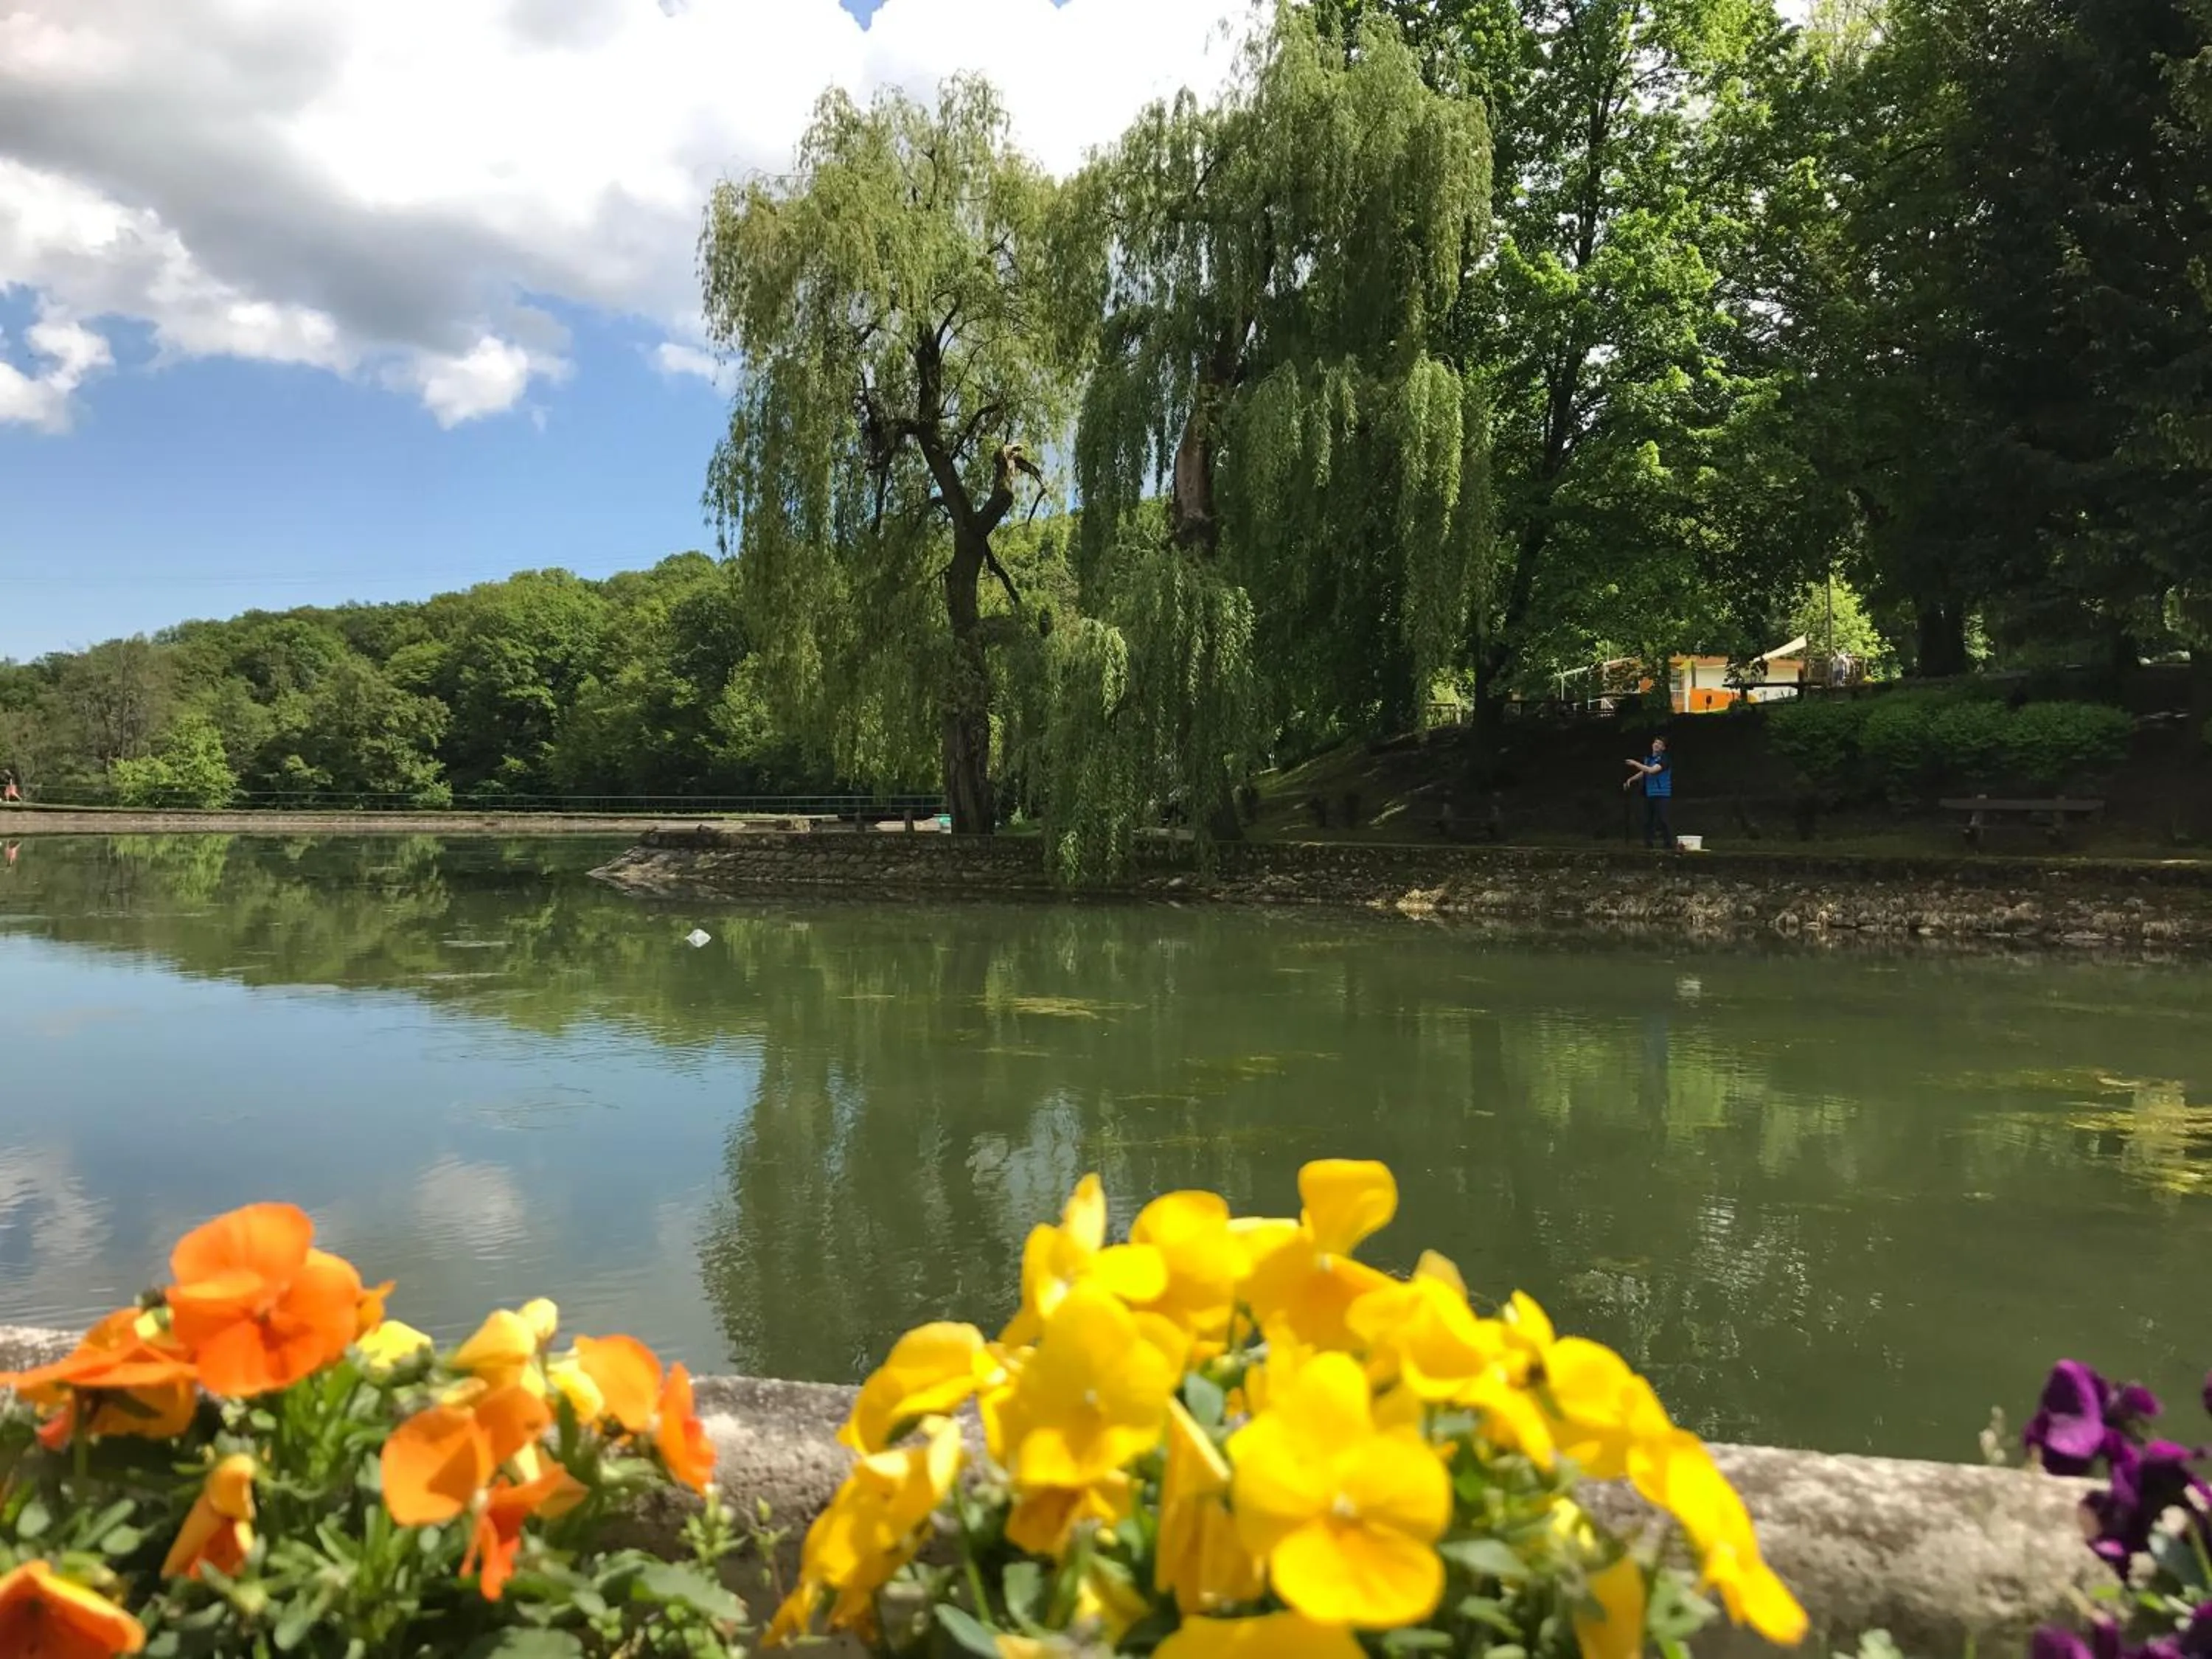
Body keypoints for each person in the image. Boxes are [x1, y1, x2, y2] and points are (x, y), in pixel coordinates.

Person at [1624, 736, 1675, 849]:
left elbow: (1652, 771)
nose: (1656, 745)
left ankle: (1668, 844)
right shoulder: (1649, 759)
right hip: (1649, 793)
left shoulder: (1664, 759)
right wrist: (1631, 779)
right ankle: (1648, 844)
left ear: (1663, 748)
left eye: (1660, 744)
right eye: (1655, 743)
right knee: (1647, 820)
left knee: (1663, 820)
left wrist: (1635, 763)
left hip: (1662, 794)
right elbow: (1644, 771)